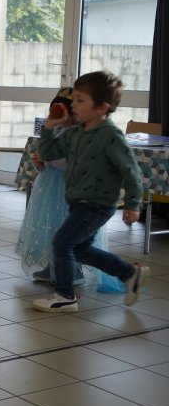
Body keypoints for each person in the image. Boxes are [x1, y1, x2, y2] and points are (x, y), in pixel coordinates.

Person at [33, 71, 149, 313]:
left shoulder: (111, 136)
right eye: (74, 99)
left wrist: (132, 204)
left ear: (101, 107)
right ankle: (130, 274)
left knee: (62, 241)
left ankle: (65, 296)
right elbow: (49, 152)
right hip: (79, 202)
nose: (73, 105)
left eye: (80, 100)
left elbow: (131, 171)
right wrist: (49, 128)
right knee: (79, 249)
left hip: (97, 204)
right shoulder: (75, 132)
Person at [16, 87, 107, 285]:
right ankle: (52, 266)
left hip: (71, 187)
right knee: (51, 224)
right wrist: (41, 162)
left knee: (69, 227)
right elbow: (49, 157)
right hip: (51, 185)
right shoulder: (58, 131)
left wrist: (48, 159)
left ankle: (74, 270)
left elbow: (72, 162)